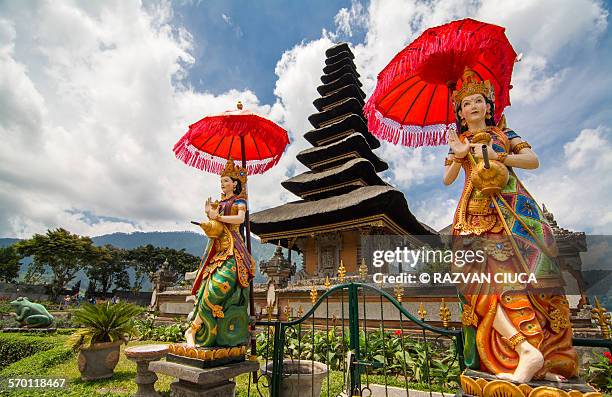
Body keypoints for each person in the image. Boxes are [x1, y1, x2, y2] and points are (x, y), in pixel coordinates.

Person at [444, 68, 577, 383]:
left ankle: (537, 354)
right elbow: (448, 179)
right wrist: (460, 156)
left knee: (516, 283)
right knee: (475, 288)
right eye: (466, 104)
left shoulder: (505, 134)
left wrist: (499, 156)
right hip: (471, 217)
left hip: (510, 212)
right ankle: (522, 350)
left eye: (479, 100)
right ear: (460, 114)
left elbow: (532, 160)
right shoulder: (459, 141)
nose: (473, 106)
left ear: (488, 107)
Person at [184, 158, 255, 348]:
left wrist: (218, 216)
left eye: (226, 181)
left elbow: (240, 219)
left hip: (235, 249)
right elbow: (216, 226)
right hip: (218, 249)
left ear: (235, 183)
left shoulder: (240, 200)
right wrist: (209, 216)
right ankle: (194, 329)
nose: (222, 184)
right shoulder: (220, 202)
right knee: (206, 288)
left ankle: (220, 326)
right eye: (221, 181)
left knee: (220, 286)